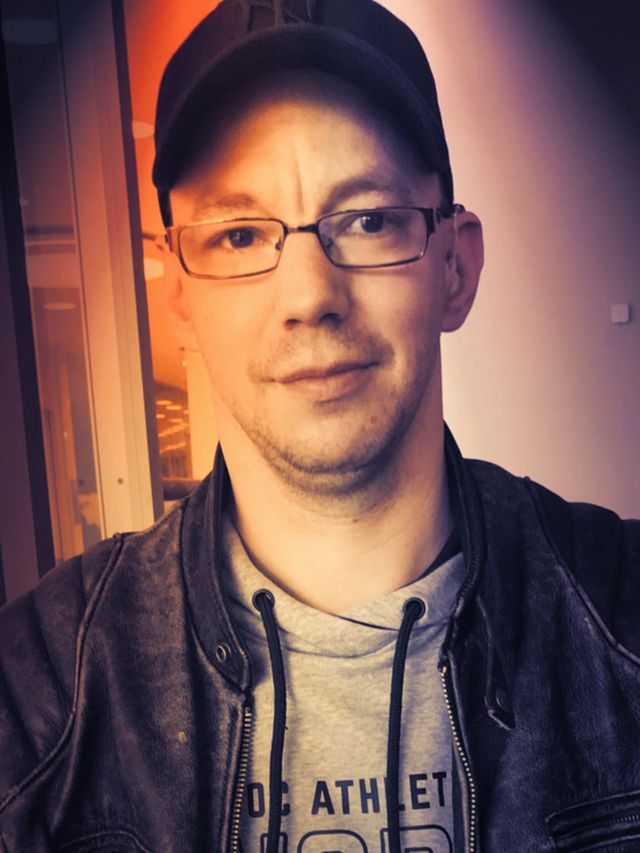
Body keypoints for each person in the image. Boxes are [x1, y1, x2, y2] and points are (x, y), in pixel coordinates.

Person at [1, 0, 639, 851]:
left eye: (368, 219)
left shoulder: (622, 615)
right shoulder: (39, 691)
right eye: (238, 235)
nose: (308, 295)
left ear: (455, 267)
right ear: (179, 291)